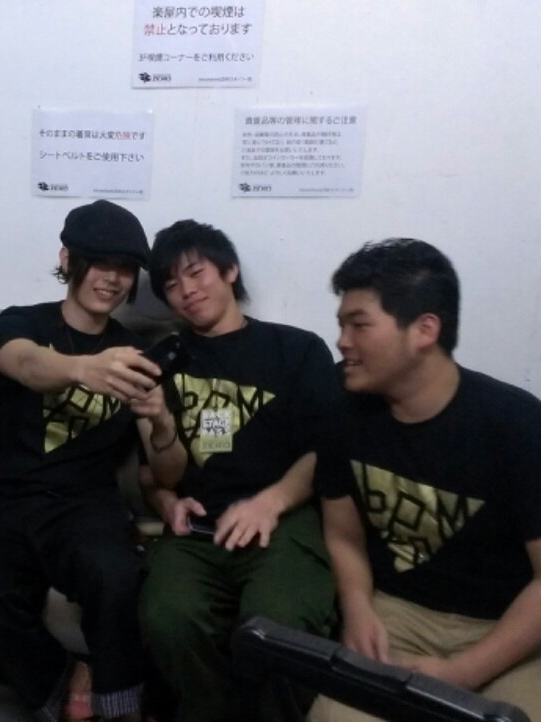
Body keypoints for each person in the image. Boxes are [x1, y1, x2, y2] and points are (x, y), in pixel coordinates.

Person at [309, 239, 541, 722]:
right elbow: (343, 535)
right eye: (341, 325)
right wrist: (358, 608)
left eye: (359, 325)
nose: (343, 341)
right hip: (396, 615)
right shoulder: (342, 412)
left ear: (424, 329)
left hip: (509, 628)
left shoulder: (519, 426)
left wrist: (462, 672)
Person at [0, 200, 178, 722]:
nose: (112, 279)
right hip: (6, 503)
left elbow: (167, 472)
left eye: (125, 269)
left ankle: (121, 709)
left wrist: (162, 423)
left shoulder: (135, 353)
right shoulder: (20, 324)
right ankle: (67, 678)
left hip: (86, 505)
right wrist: (83, 369)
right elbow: (25, 364)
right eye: (99, 263)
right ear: (68, 259)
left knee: (117, 579)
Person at [137, 220, 338, 722]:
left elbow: (326, 451)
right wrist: (167, 500)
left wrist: (269, 503)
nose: (186, 291)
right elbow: (152, 477)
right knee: (167, 616)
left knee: (279, 624)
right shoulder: (161, 364)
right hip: (198, 528)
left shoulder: (296, 350)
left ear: (229, 271)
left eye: (196, 273)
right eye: (171, 285)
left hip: (282, 521)